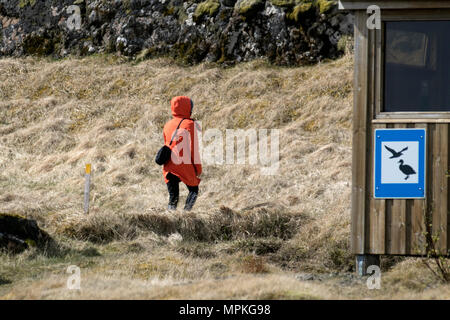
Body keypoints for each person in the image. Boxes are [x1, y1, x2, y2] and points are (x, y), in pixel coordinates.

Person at [162, 96, 202, 211]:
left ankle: (170, 217)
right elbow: (193, 149)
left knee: (173, 195)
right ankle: (186, 214)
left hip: (169, 164)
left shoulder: (167, 125)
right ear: (188, 108)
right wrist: (198, 169)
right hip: (184, 164)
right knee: (194, 190)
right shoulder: (190, 124)